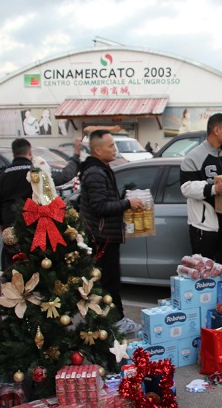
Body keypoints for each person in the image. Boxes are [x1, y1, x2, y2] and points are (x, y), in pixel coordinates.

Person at [79, 130, 145, 335]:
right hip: (102, 238)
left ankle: (112, 320)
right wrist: (127, 203)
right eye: (110, 146)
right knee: (108, 282)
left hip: (106, 236)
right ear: (97, 150)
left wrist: (124, 198)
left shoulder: (101, 169)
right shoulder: (95, 173)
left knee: (109, 280)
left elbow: (103, 201)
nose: (114, 149)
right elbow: (99, 207)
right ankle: (115, 322)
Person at [0, 137, 81, 270]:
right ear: (30, 152)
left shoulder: (3, 176)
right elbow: (65, 175)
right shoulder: (37, 172)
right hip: (34, 227)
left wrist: (3, 227)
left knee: (12, 268)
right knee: (36, 265)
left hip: (10, 228)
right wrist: (76, 155)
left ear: (14, 153)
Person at [180, 113, 222, 266]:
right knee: (204, 277)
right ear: (216, 130)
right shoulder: (193, 157)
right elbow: (186, 188)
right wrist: (214, 189)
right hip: (204, 228)